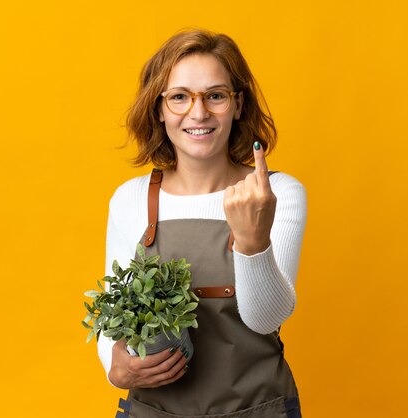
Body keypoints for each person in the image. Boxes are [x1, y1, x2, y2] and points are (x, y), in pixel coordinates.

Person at [97, 29, 307, 417]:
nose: (198, 112)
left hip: (258, 408)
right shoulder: (130, 199)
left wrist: (252, 239)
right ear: (158, 109)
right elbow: (115, 316)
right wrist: (116, 367)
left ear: (237, 104)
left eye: (215, 95)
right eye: (179, 97)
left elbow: (266, 319)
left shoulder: (277, 193)